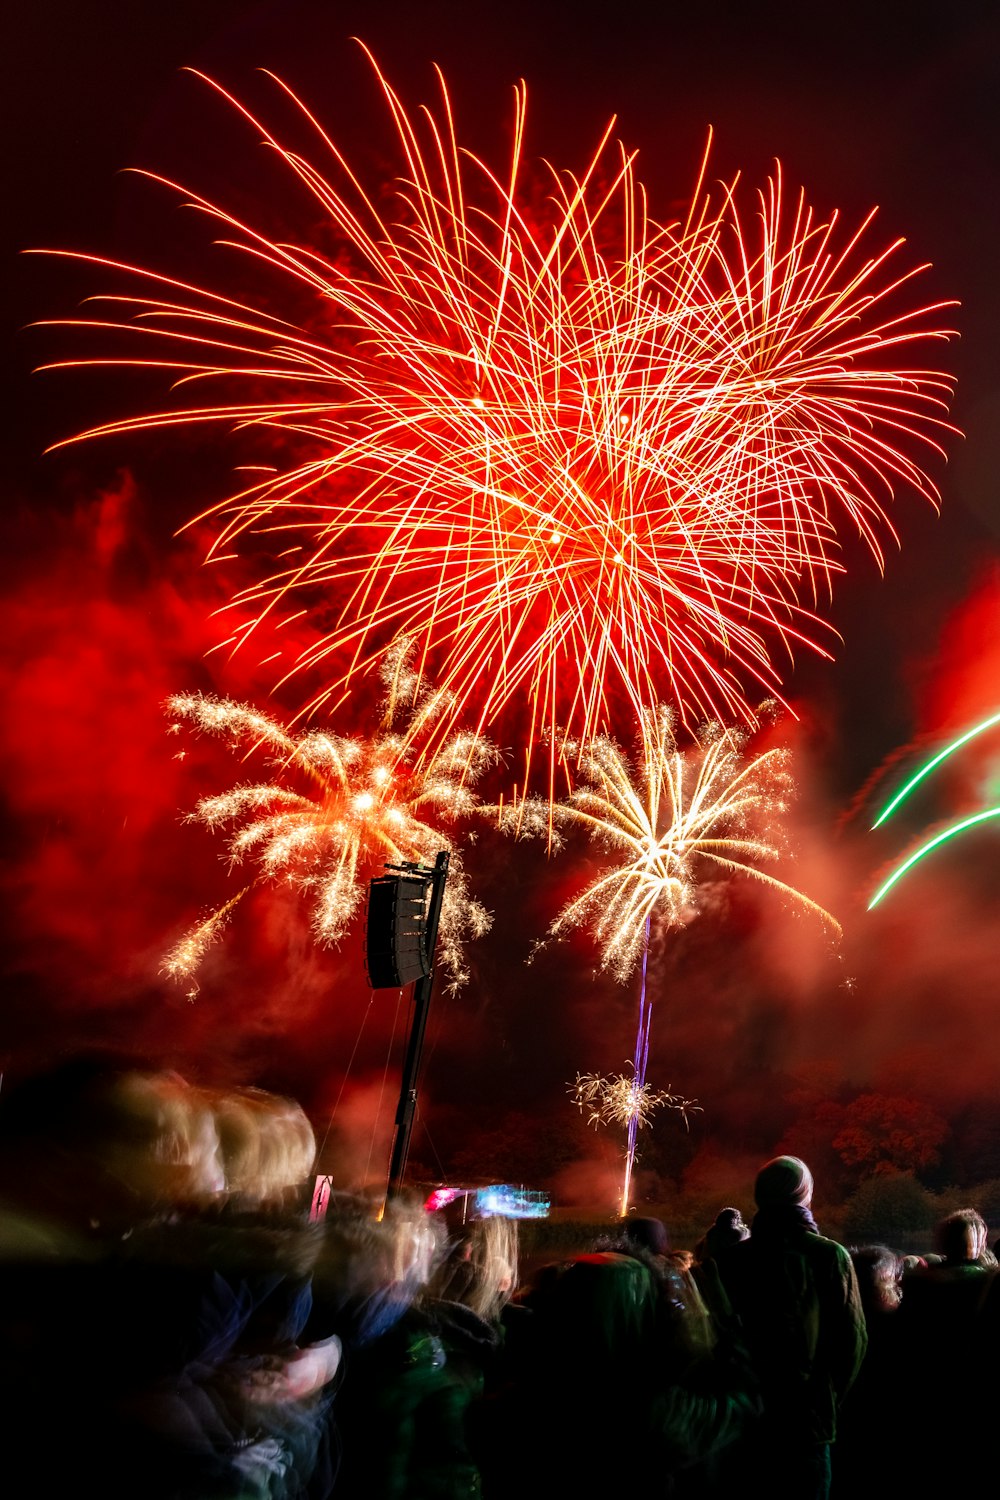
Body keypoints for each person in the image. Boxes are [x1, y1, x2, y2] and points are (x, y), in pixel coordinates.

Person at [715, 1155, 866, 1499]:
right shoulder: (830, 1256)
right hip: (806, 1422)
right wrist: (826, 1399)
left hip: (743, 1418)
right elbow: (853, 1340)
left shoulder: (730, 1260)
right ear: (805, 1195)